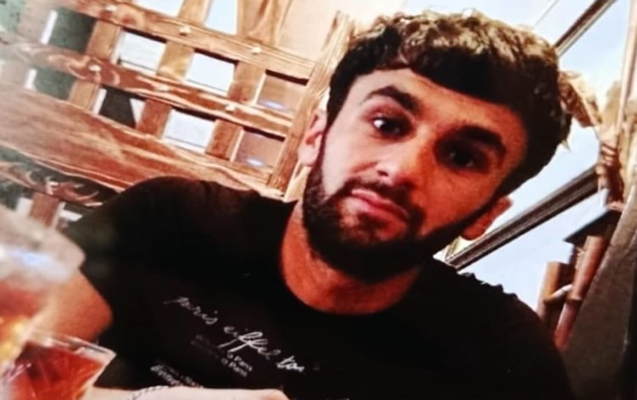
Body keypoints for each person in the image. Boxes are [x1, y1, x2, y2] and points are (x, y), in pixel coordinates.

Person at [52, 10, 574, 400]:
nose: (401, 170)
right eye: (387, 124)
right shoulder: (168, 222)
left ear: (487, 213)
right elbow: (18, 368)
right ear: (316, 137)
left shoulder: (500, 360)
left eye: (461, 157)